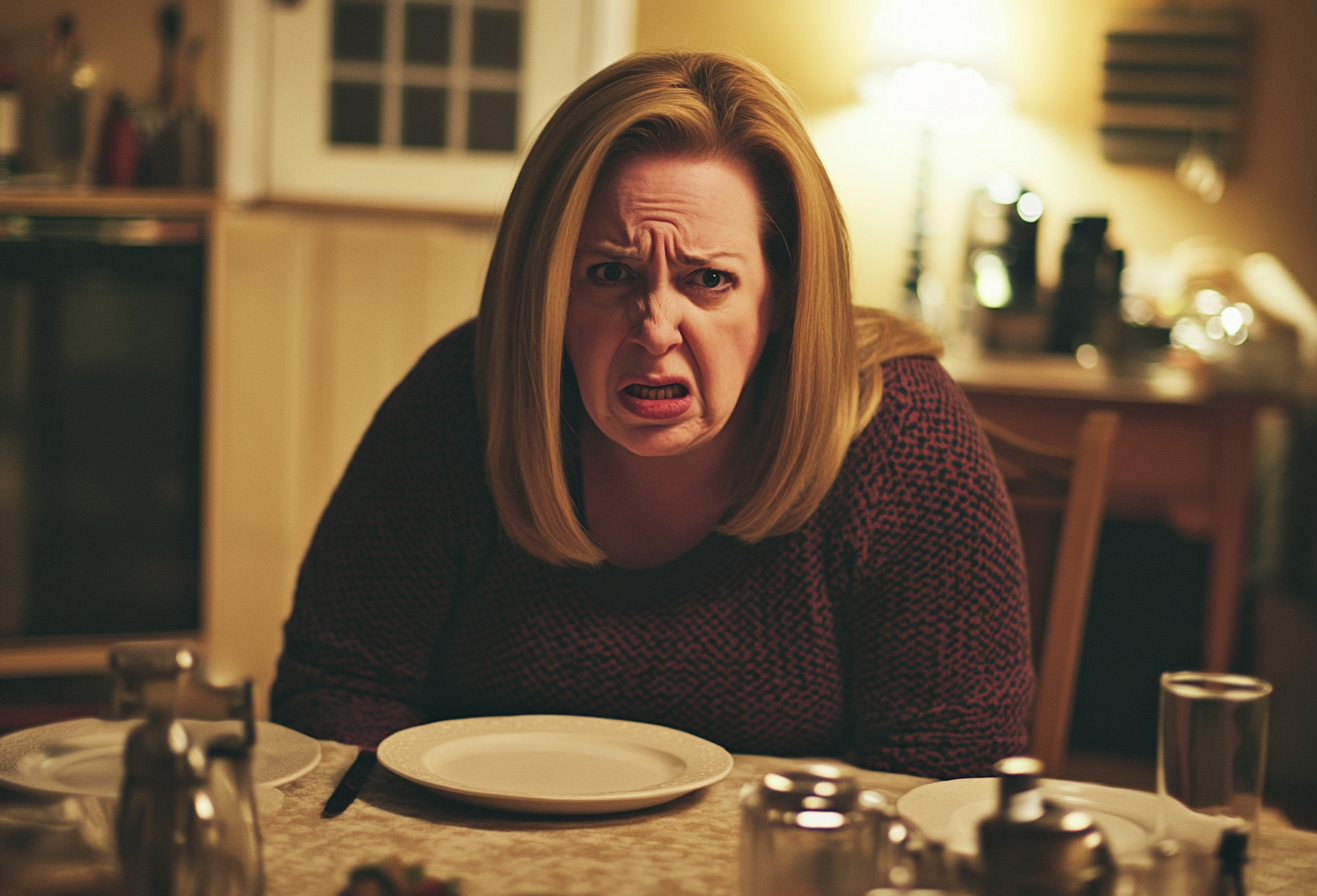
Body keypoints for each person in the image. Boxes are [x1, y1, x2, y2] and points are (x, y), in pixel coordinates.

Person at [271, 48, 1033, 779]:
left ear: (786, 296)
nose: (655, 327)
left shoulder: (898, 429)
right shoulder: (462, 398)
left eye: (708, 279)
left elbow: (953, 762)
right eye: (609, 273)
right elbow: (335, 691)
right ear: (546, 293)